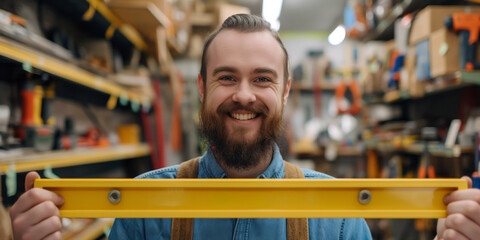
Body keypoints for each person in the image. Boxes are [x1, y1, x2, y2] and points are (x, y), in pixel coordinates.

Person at [9, 13, 480, 240]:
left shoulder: (337, 216)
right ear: (201, 86)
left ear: (287, 90)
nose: (244, 95)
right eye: (227, 78)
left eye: (262, 79)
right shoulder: (145, 208)